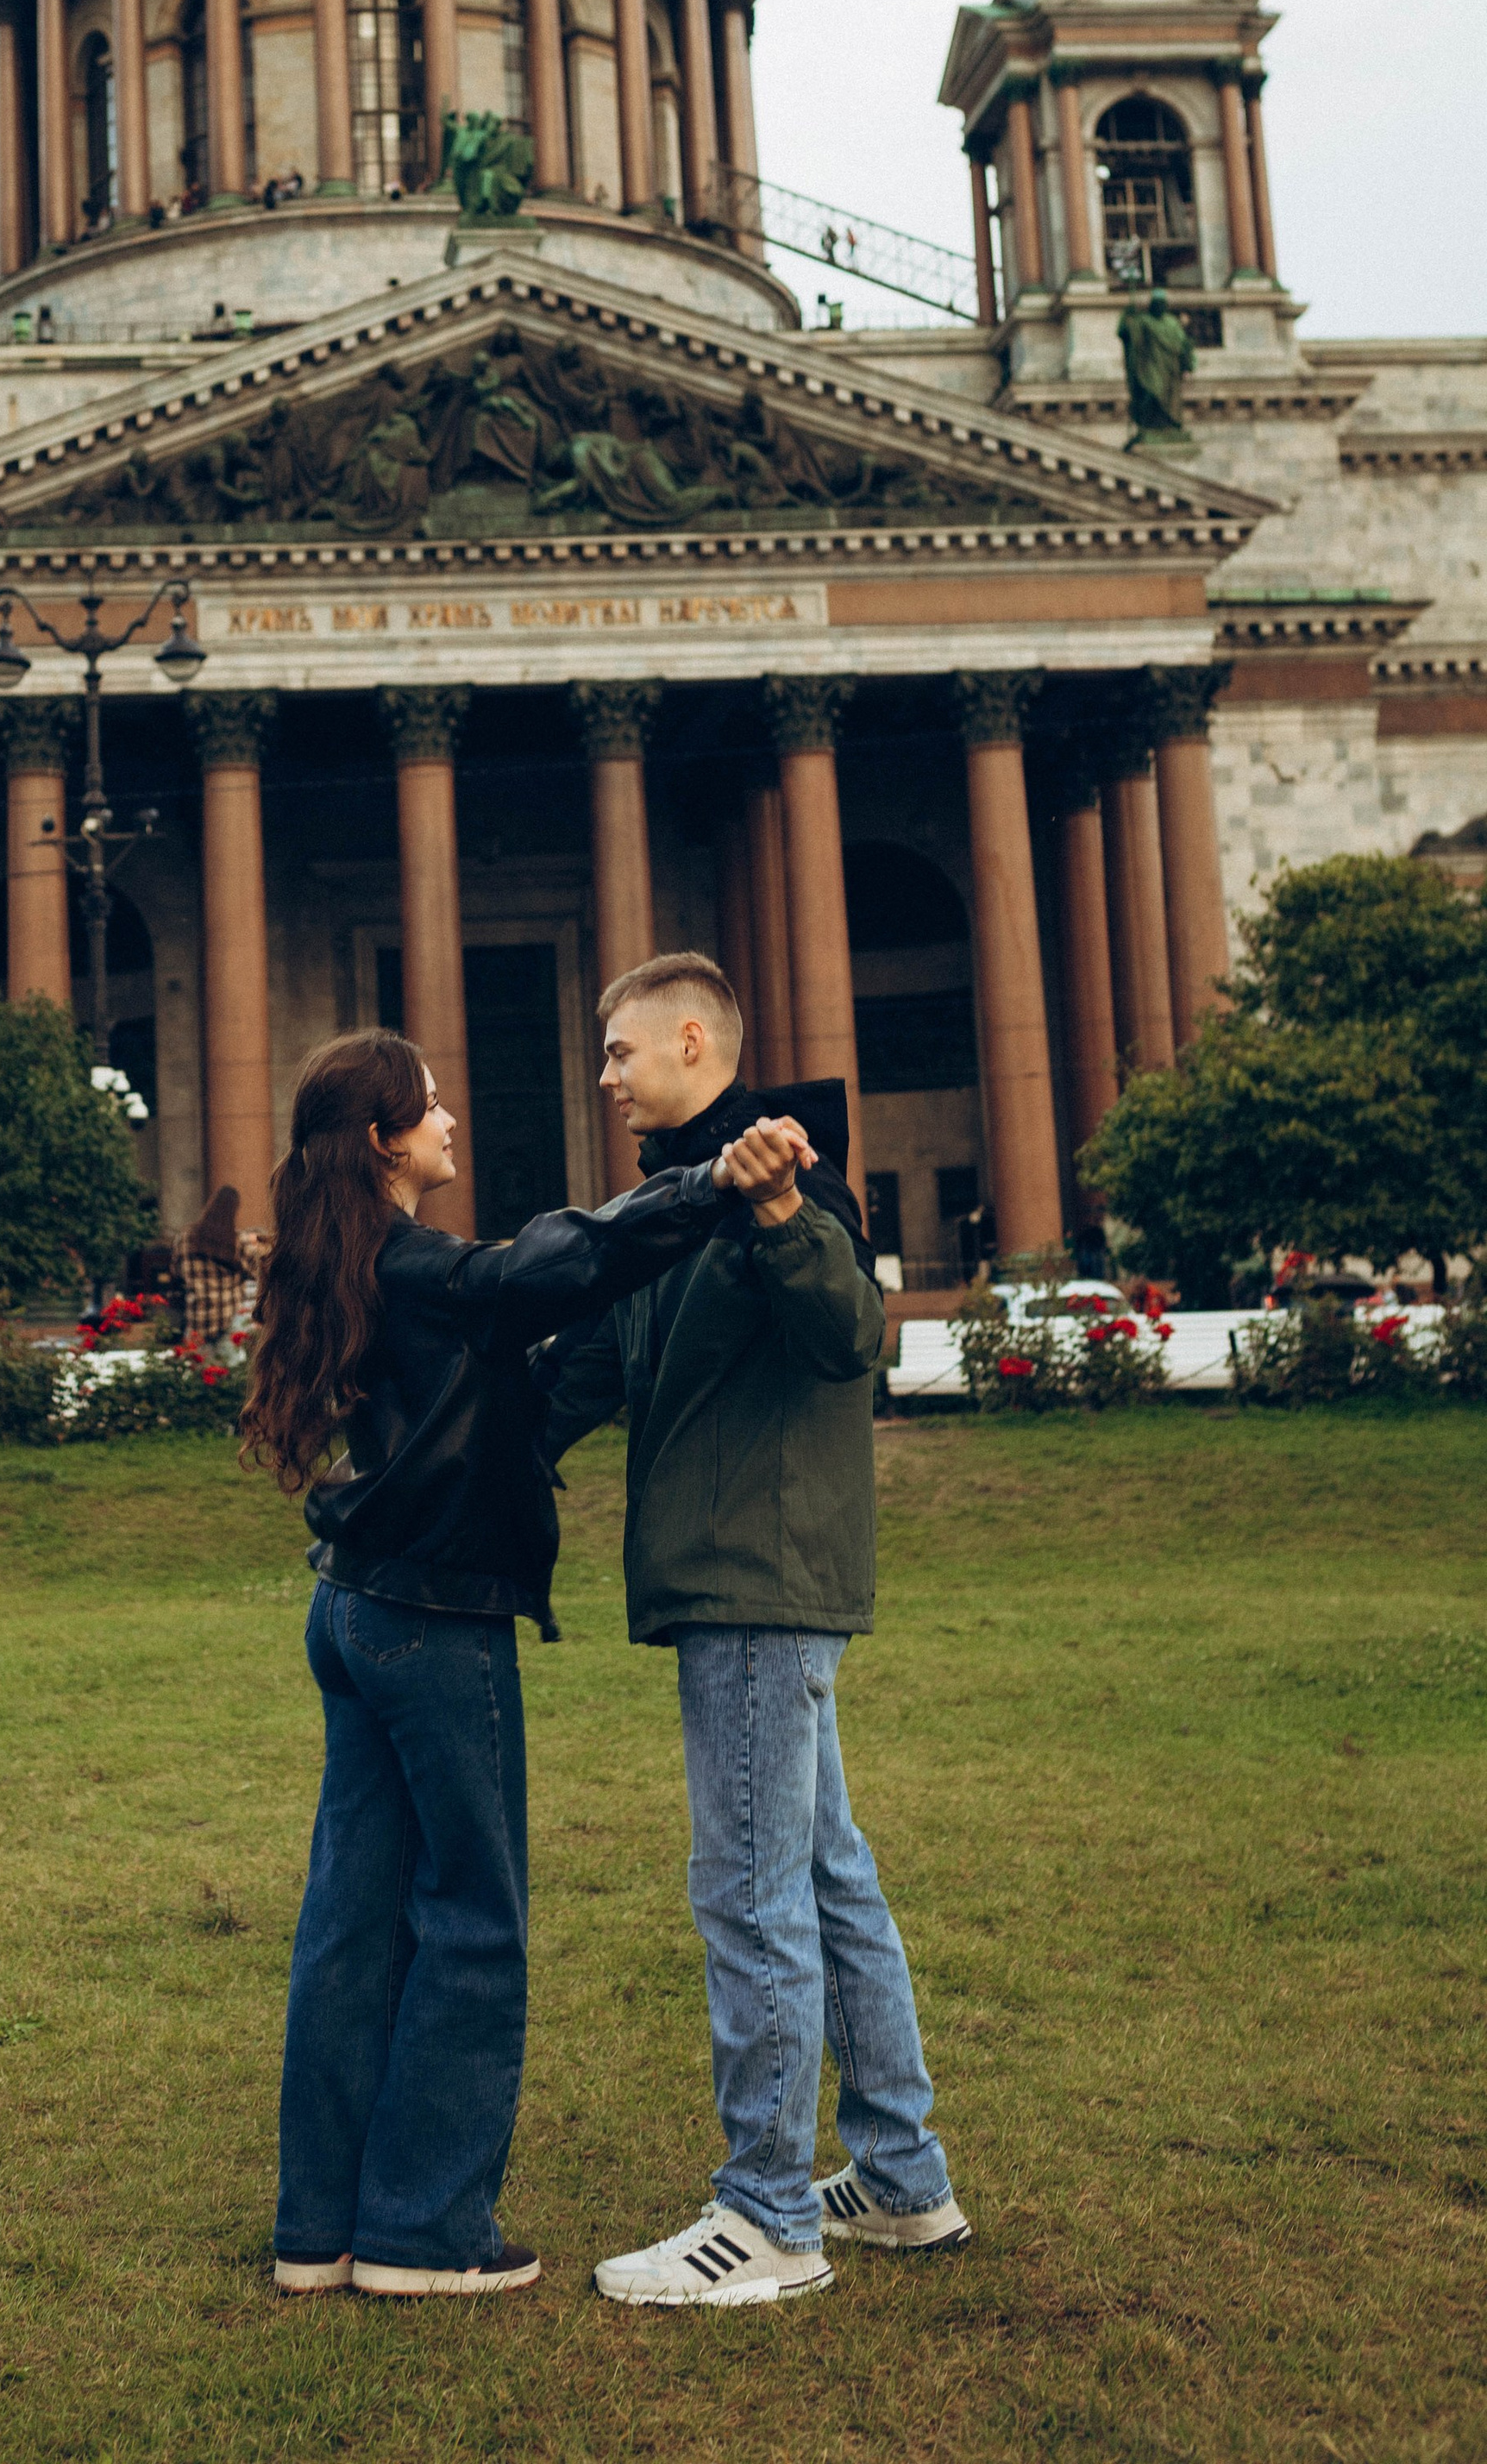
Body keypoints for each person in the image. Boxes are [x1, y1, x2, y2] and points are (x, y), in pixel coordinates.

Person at [242, 1026, 805, 2301]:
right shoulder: (426, 1265)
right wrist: (705, 1184)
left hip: (355, 1613)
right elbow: (552, 1264)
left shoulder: (348, 1265)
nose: (449, 1121)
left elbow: (500, 1384)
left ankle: (319, 2228)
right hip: (433, 1626)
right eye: (429, 1107)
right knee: (473, 1923)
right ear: (386, 1140)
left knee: (352, 1923)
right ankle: (424, 2235)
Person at [544, 952, 970, 2310]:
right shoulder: (670, 1211)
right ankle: (901, 2180)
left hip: (757, 1586)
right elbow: (581, 1379)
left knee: (750, 1890)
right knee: (828, 1875)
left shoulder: (792, 1179)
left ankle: (771, 2217)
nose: (603, 1075)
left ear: (689, 1039)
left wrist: (783, 1209)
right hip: (735, 1583)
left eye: (619, 1051)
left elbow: (856, 1336)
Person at [167, 1183, 253, 1352]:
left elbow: (176, 1272)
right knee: (230, 1375)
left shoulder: (185, 1238)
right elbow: (255, 1271)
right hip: (229, 1321)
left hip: (197, 1321)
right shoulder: (237, 1242)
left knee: (197, 1376)